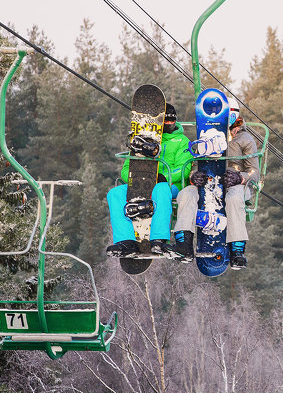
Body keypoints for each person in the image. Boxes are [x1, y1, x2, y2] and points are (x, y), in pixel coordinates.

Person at [170, 97, 260, 269]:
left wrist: (239, 177)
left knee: (234, 198)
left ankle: (237, 249)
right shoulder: (206, 137)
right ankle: (184, 243)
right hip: (209, 183)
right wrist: (195, 176)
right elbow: (194, 164)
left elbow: (254, 172)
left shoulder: (244, 139)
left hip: (235, 186)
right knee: (186, 194)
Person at [105, 102, 193, 258]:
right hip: (142, 182)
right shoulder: (143, 141)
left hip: (170, 183)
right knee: (115, 193)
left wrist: (165, 177)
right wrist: (134, 178)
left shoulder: (182, 141)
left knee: (161, 190)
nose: (169, 124)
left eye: (172, 121)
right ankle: (126, 241)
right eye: (166, 121)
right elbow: (126, 169)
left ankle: (158, 239)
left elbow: (184, 169)